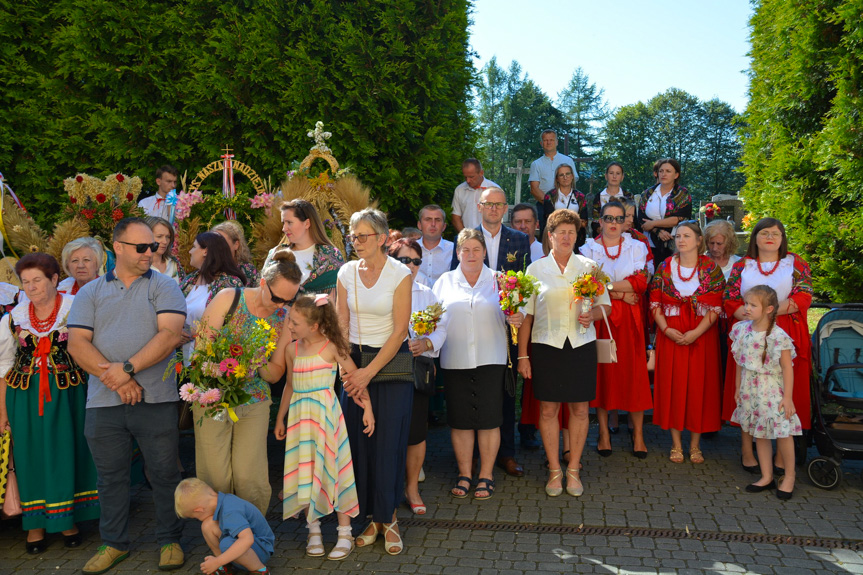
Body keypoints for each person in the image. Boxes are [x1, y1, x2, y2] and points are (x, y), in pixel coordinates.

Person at [67, 217, 187, 573]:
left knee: (164, 473)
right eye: (142, 247)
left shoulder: (165, 286)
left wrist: (128, 368)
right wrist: (119, 379)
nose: (151, 252)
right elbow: (77, 343)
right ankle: (114, 543)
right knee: (111, 477)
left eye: (154, 246)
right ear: (117, 248)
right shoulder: (90, 292)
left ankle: (170, 539)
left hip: (156, 400)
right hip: (103, 402)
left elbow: (169, 335)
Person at [0, 253, 98, 555]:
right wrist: (2, 412)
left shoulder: (75, 309)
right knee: (30, 455)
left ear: (55, 279)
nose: (31, 287)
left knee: (65, 451)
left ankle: (67, 519)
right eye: (25, 282)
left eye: (37, 280)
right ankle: (35, 525)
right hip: (25, 396)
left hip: (69, 394)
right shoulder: (13, 318)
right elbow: (4, 364)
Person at [194, 249, 301, 515]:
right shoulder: (229, 298)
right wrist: (227, 368)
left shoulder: (284, 317)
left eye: (288, 299)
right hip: (213, 396)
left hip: (254, 400)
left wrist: (257, 361)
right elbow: (201, 351)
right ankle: (220, 533)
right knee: (215, 474)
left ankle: (251, 535)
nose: (280, 305)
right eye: (277, 297)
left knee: (249, 476)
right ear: (263, 283)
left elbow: (276, 373)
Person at [517, 210, 611, 497]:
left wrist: (592, 314)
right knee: (548, 409)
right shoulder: (535, 269)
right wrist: (523, 356)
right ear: (551, 235)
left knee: (581, 409)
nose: (567, 237)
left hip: (581, 345)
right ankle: (554, 470)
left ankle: (573, 469)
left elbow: (605, 306)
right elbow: (526, 317)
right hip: (546, 346)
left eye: (572, 232)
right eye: (562, 232)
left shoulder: (589, 266)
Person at [272, 294, 372, 560]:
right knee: (305, 470)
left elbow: (354, 380)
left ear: (314, 326)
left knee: (335, 468)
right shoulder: (291, 349)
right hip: (300, 419)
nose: (289, 326)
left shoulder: (332, 347)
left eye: (294, 322)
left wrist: (368, 409)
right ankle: (313, 530)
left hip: (326, 417)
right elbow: (290, 386)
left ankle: (344, 533)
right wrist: (280, 418)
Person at [336, 208, 412, 555]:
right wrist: (351, 371)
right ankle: (371, 517)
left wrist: (368, 373)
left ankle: (390, 517)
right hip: (353, 364)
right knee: (358, 446)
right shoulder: (345, 272)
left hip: (391, 365)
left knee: (389, 444)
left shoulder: (399, 274)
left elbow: (399, 331)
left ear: (382, 238)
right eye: (353, 235)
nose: (356, 242)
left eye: (362, 235)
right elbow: (339, 328)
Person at [435, 229, 523, 501]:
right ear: (458, 253)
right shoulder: (444, 282)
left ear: (485, 252)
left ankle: (486, 475)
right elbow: (433, 319)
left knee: (489, 422)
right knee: (460, 422)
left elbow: (519, 313)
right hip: (455, 360)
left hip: (491, 359)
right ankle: (464, 473)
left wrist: (516, 317)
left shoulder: (501, 281)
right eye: (466, 250)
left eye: (476, 249)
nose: (471, 255)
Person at [449, 187, 532, 477]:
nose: (494, 209)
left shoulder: (520, 239)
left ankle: (506, 453)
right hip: (471, 328)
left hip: (507, 328)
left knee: (505, 393)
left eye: (499, 205)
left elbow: (525, 284)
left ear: (505, 208)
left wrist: (518, 313)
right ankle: (470, 456)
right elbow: (452, 278)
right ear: (479, 206)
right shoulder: (466, 239)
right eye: (488, 204)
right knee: (469, 391)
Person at [721, 217, 812, 476]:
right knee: (749, 391)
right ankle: (747, 451)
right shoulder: (742, 265)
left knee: (784, 390)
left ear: (782, 238)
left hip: (785, 333)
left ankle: (783, 456)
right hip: (750, 333)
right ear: (755, 238)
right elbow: (728, 298)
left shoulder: (796, 264)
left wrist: (768, 314)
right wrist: (753, 317)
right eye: (764, 233)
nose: (770, 237)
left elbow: (804, 295)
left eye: (776, 233)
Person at [579, 201, 652, 458]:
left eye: (618, 219)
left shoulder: (637, 246)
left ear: (625, 222)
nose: (613, 223)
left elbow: (641, 282)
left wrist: (608, 288)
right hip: (601, 318)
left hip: (630, 320)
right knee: (604, 374)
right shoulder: (587, 249)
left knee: (633, 375)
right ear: (600, 220)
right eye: (608, 218)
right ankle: (603, 434)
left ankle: (639, 435)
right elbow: (588, 286)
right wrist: (620, 294)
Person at [649, 221, 724, 464]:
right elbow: (655, 301)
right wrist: (666, 330)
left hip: (701, 337)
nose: (681, 240)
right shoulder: (665, 266)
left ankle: (695, 445)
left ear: (699, 240)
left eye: (687, 236)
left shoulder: (711, 268)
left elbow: (716, 306)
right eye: (677, 236)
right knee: (674, 387)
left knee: (698, 388)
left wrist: (696, 333)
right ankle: (675, 444)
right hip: (671, 335)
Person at [390, 238, 445, 516]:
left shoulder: (427, 293)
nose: (410, 265)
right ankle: (386, 491)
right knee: (388, 432)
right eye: (404, 260)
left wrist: (427, 344)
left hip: (417, 372)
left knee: (416, 433)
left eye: (415, 261)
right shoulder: (380, 291)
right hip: (386, 369)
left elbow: (442, 329)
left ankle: (412, 489)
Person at [730, 285, 801, 500]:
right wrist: (737, 388)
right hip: (750, 390)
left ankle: (789, 476)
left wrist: (787, 397)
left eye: (753, 305)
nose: (747, 308)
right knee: (758, 431)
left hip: (772, 392)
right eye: (746, 304)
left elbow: (788, 367)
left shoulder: (779, 336)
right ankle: (767, 475)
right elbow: (739, 363)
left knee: (783, 432)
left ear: (769, 309)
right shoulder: (741, 329)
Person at [174, 478, 274, 575]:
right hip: (251, 547)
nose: (198, 520)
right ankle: (226, 566)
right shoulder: (223, 500)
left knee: (226, 544)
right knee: (207, 525)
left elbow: (247, 539)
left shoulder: (230, 511)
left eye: (196, 517)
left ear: (199, 510)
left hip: (261, 551)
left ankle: (260, 570)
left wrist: (217, 561)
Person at [179, 232, 246, 364]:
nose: (190, 251)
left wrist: (190, 332)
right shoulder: (189, 280)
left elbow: (234, 325)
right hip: (180, 359)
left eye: (194, 247)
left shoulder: (229, 284)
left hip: (210, 361)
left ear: (205, 251)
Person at [264, 199, 346, 297]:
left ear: (307, 223)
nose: (284, 228)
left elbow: (338, 301)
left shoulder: (331, 256)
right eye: (283, 223)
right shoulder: (275, 254)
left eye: (289, 222)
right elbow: (263, 291)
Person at [637, 158, 692, 264]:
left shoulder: (683, 194)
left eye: (668, 171)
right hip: (649, 245)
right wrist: (658, 231)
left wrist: (653, 224)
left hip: (674, 244)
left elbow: (680, 218)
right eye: (661, 171)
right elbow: (641, 219)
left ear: (676, 175)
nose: (663, 174)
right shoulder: (647, 193)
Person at [541, 164, 588, 246]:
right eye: (561, 175)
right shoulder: (550, 196)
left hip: (576, 238)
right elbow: (549, 220)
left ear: (572, 176)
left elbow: (584, 222)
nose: (565, 177)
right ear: (557, 178)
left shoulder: (580, 197)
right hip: (556, 238)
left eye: (568, 174)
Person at [528, 129, 578, 204]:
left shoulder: (568, 161)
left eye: (551, 140)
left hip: (567, 204)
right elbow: (534, 189)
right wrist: (549, 203)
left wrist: (562, 203)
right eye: (545, 140)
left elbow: (572, 183)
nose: (549, 142)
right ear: (541, 143)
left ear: (556, 142)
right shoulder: (536, 164)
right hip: (544, 205)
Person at [451, 159, 500, 232]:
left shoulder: (495, 189)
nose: (468, 181)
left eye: (471, 177)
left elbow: (499, 215)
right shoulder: (460, 190)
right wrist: (465, 236)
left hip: (489, 238)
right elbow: (455, 217)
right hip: (467, 238)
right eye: (465, 177)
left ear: (481, 173)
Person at [590, 162, 633, 237]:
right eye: (611, 173)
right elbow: (595, 221)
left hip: (624, 237)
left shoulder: (628, 196)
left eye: (618, 173)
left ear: (622, 177)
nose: (614, 176)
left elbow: (633, 219)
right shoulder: (598, 196)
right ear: (606, 176)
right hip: (603, 236)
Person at [211, 220, 260, 286]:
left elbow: (261, 293)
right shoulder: (207, 270)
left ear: (236, 244)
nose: (217, 246)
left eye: (222, 242)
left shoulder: (248, 270)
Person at [417, 204, 454, 285]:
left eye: (437, 220)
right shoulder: (410, 250)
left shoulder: (454, 250)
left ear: (444, 226)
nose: (433, 224)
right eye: (428, 219)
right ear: (419, 225)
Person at [146, 217, 184, 283]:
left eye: (168, 237)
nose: (165, 241)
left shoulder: (174, 263)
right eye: (159, 236)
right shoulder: (138, 265)